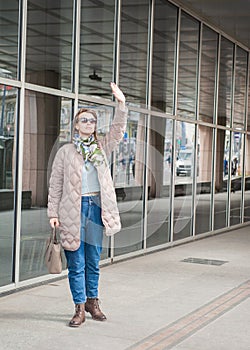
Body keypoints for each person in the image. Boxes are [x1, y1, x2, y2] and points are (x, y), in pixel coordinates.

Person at [47, 82, 128, 327]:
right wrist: (53, 212)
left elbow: (117, 131)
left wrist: (121, 104)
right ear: (76, 124)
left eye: (92, 121)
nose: (88, 124)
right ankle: (79, 307)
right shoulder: (65, 152)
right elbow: (55, 184)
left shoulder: (102, 148)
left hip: (95, 207)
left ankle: (93, 302)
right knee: (76, 261)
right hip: (72, 209)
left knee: (93, 258)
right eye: (84, 120)